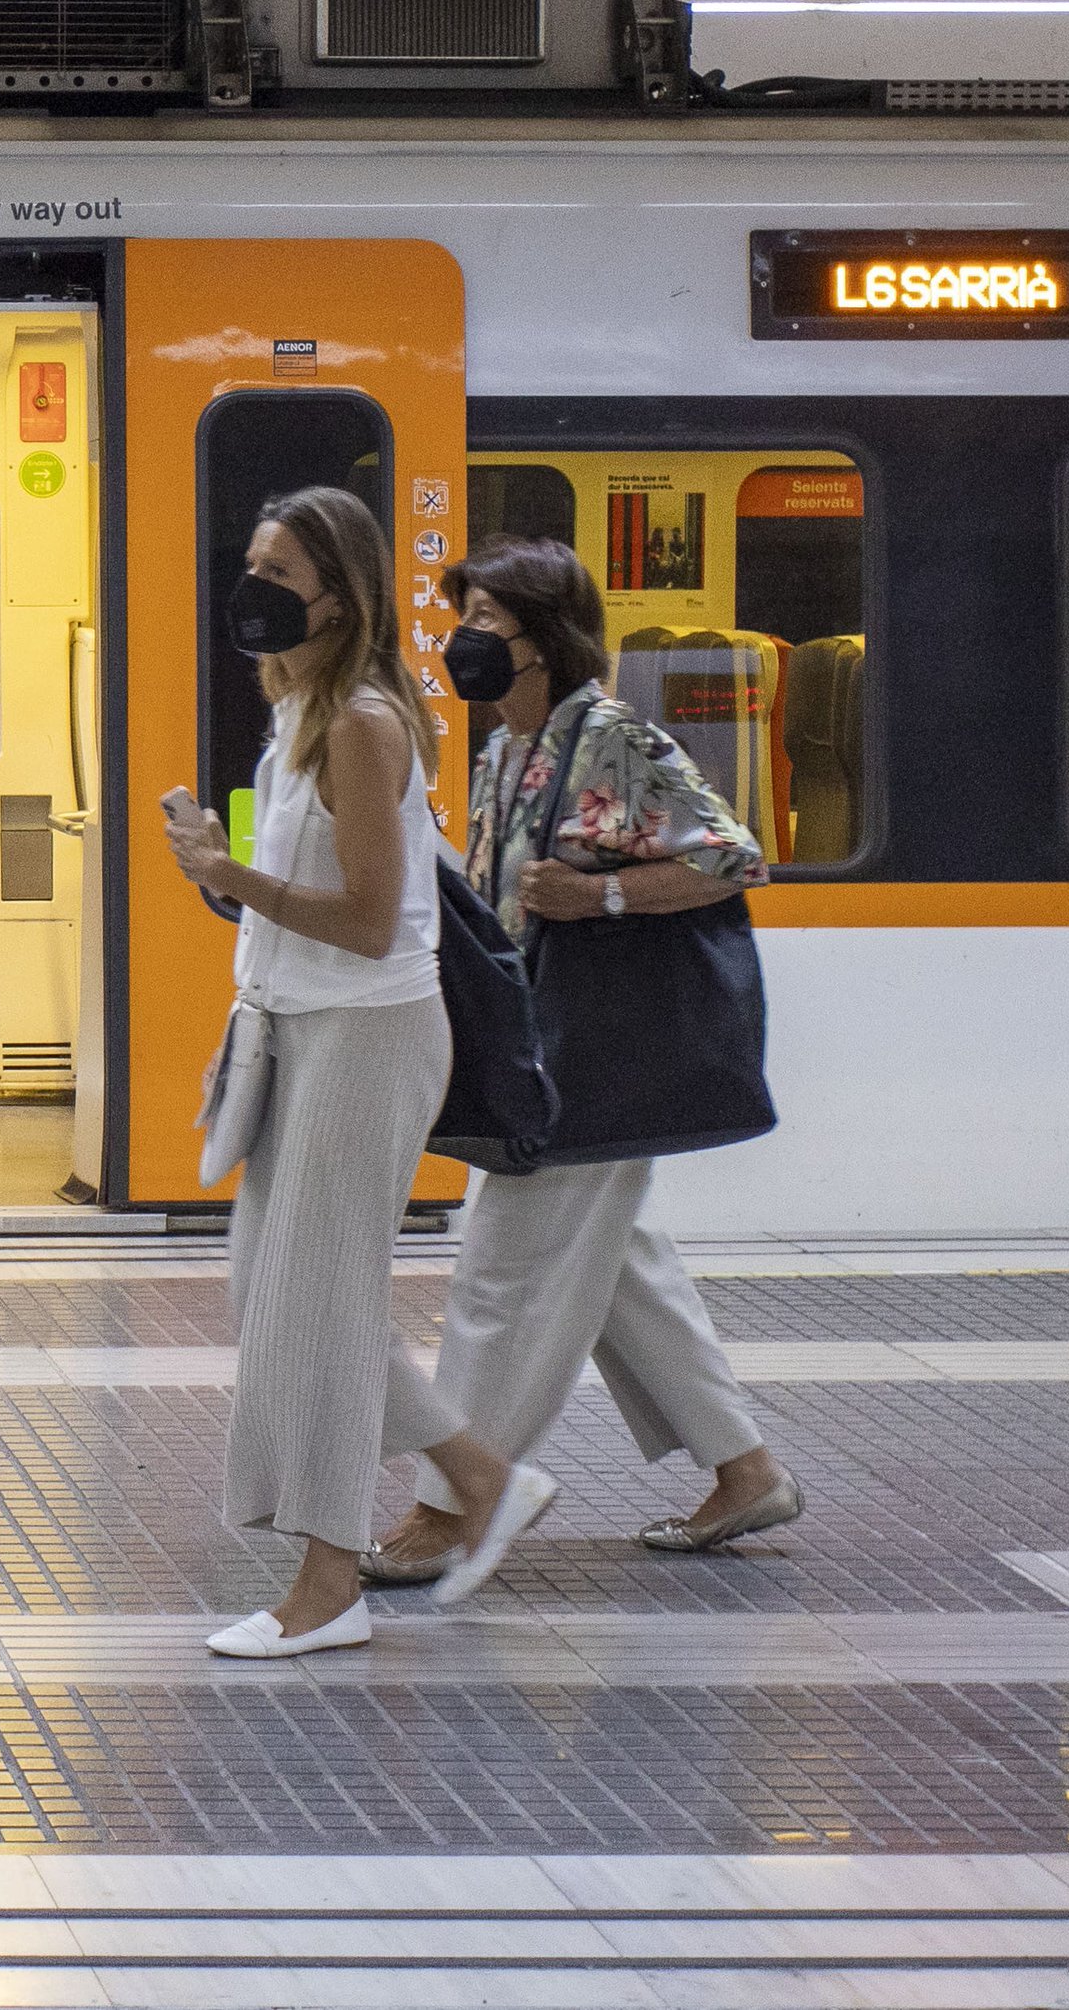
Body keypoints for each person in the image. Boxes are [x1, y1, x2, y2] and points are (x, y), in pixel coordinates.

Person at [362, 538, 799, 1581]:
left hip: (596, 1053)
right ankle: (746, 1472)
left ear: (542, 639)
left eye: (484, 624)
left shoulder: (609, 737)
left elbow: (734, 857)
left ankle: (454, 1503)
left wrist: (602, 894)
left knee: (503, 1273)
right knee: (618, 1270)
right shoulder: (505, 750)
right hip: (543, 1043)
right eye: (457, 619)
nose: (463, 642)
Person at [163, 487, 548, 1656]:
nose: (258, 588)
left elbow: (375, 921)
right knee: (269, 1298)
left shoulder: (361, 725)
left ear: (342, 591)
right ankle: (479, 1475)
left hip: (370, 1035)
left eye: (282, 571)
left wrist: (236, 882)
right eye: (252, 562)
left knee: (321, 1313)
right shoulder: (293, 715)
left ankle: (327, 1584)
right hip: (295, 1029)